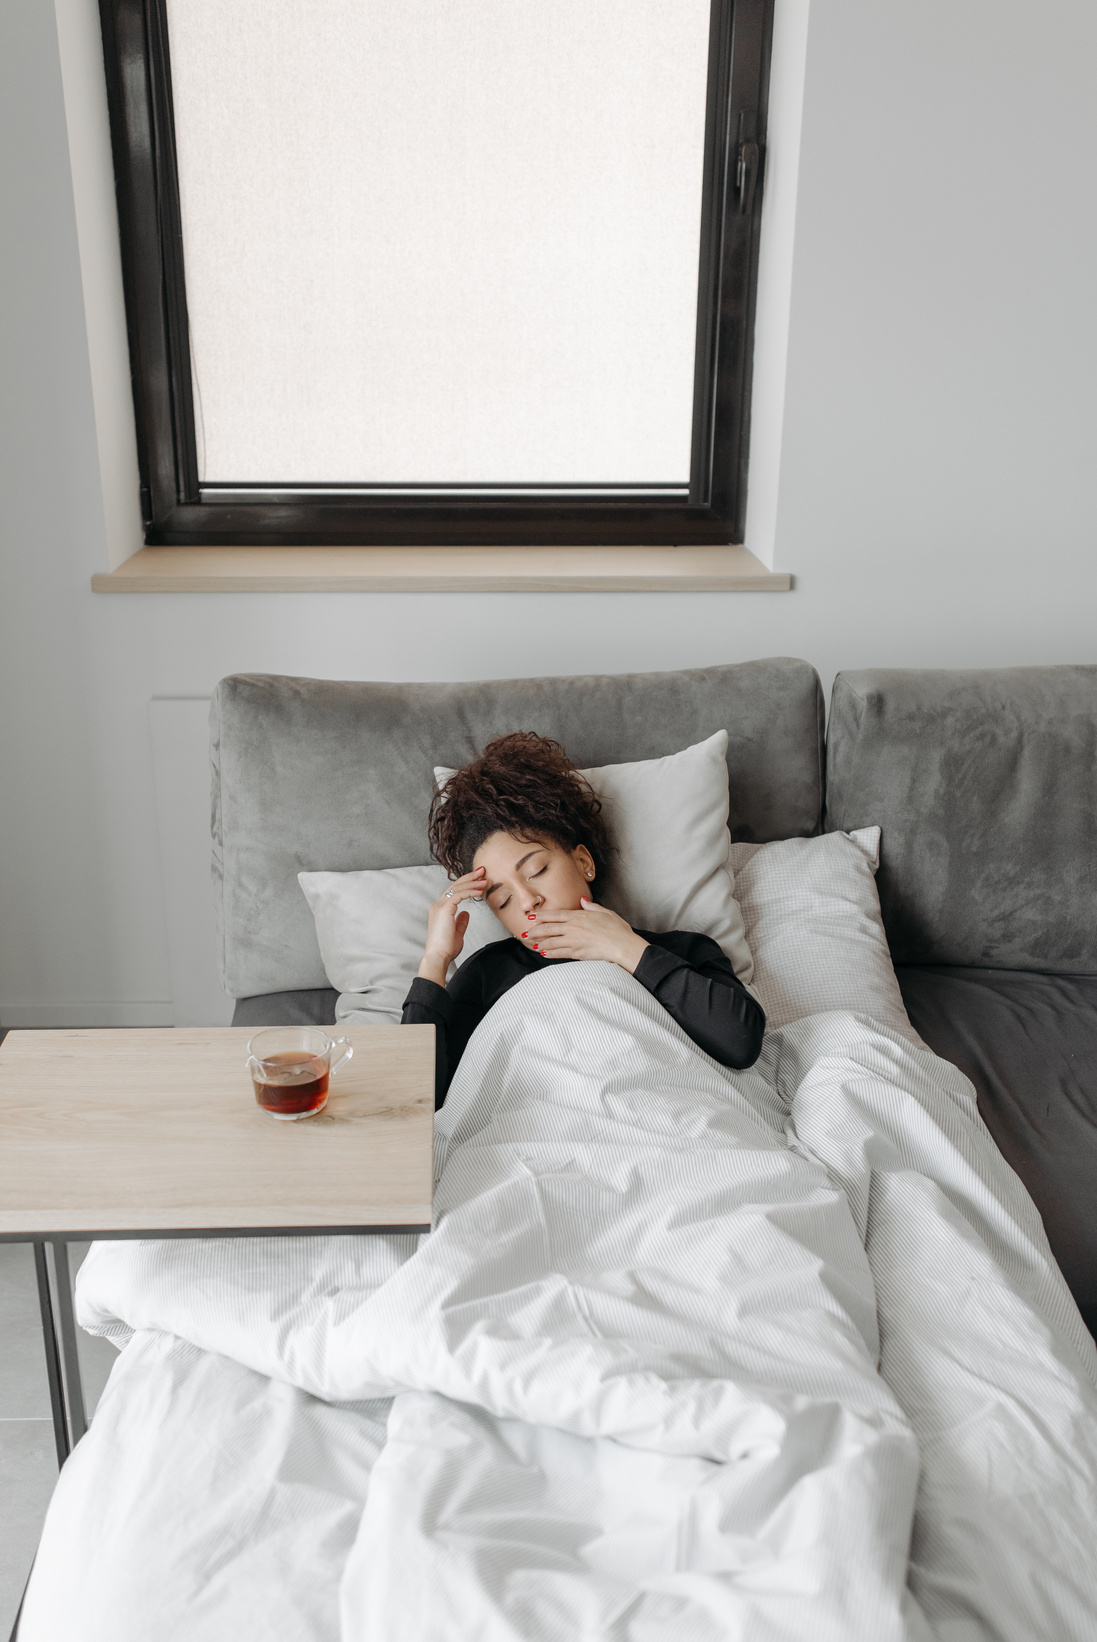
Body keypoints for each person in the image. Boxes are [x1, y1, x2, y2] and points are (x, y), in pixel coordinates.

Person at [402, 732, 766, 1107]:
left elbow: (740, 1044)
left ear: (583, 862)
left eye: (538, 869)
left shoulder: (679, 950)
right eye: (503, 899)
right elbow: (417, 1099)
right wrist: (434, 961)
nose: (528, 900)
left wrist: (627, 949)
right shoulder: (486, 974)